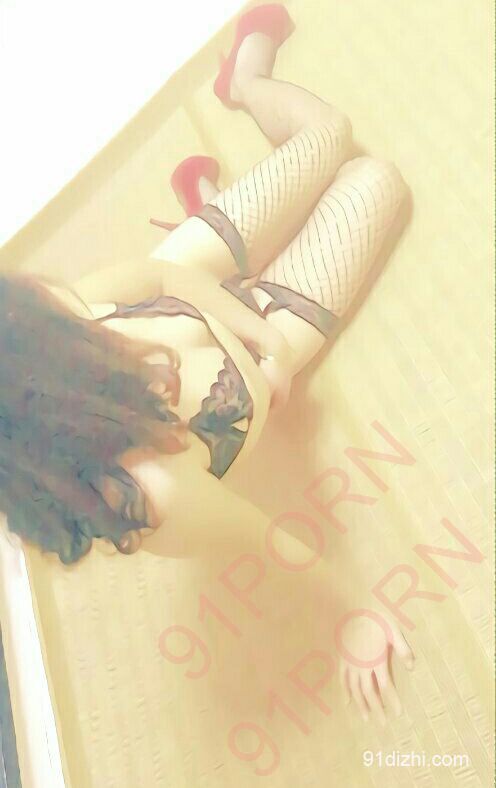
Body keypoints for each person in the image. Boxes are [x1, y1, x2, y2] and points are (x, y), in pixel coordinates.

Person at [0, 4, 413, 723]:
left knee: (330, 134)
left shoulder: (61, 321)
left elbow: (160, 276)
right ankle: (212, 199)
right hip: (254, 350)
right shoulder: (153, 490)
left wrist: (262, 341)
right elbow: (268, 539)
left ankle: (242, 83)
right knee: (375, 178)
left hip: (215, 296)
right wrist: (354, 612)